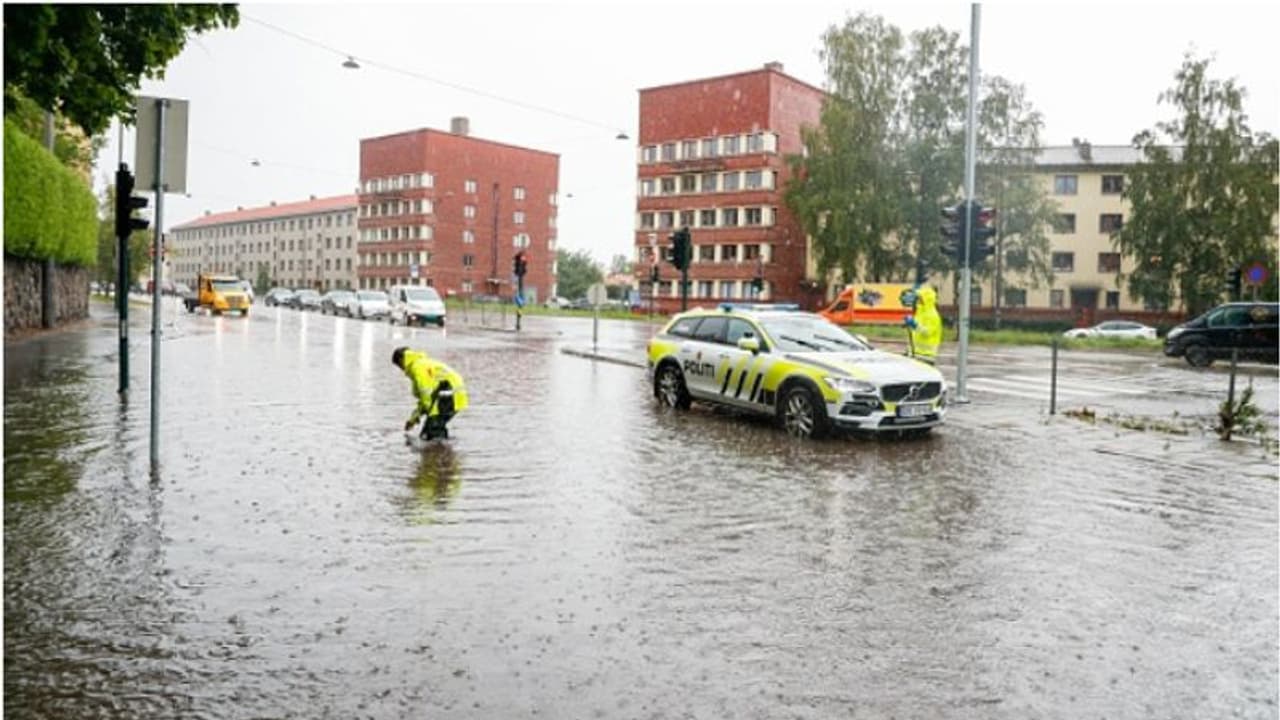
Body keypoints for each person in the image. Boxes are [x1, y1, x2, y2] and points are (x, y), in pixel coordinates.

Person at [391, 346, 469, 441]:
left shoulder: (417, 368)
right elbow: (425, 399)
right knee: (429, 431)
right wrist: (413, 419)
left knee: (433, 429)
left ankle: (439, 452)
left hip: (450, 394)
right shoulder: (419, 364)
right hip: (450, 394)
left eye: (399, 365)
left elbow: (426, 395)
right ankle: (443, 451)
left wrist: (430, 414)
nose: (401, 369)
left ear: (401, 360)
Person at [902, 285, 942, 365]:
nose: (918, 301)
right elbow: (915, 333)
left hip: (926, 357)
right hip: (916, 354)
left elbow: (927, 332)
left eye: (920, 298)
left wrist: (914, 324)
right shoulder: (919, 313)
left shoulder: (932, 315)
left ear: (926, 299)